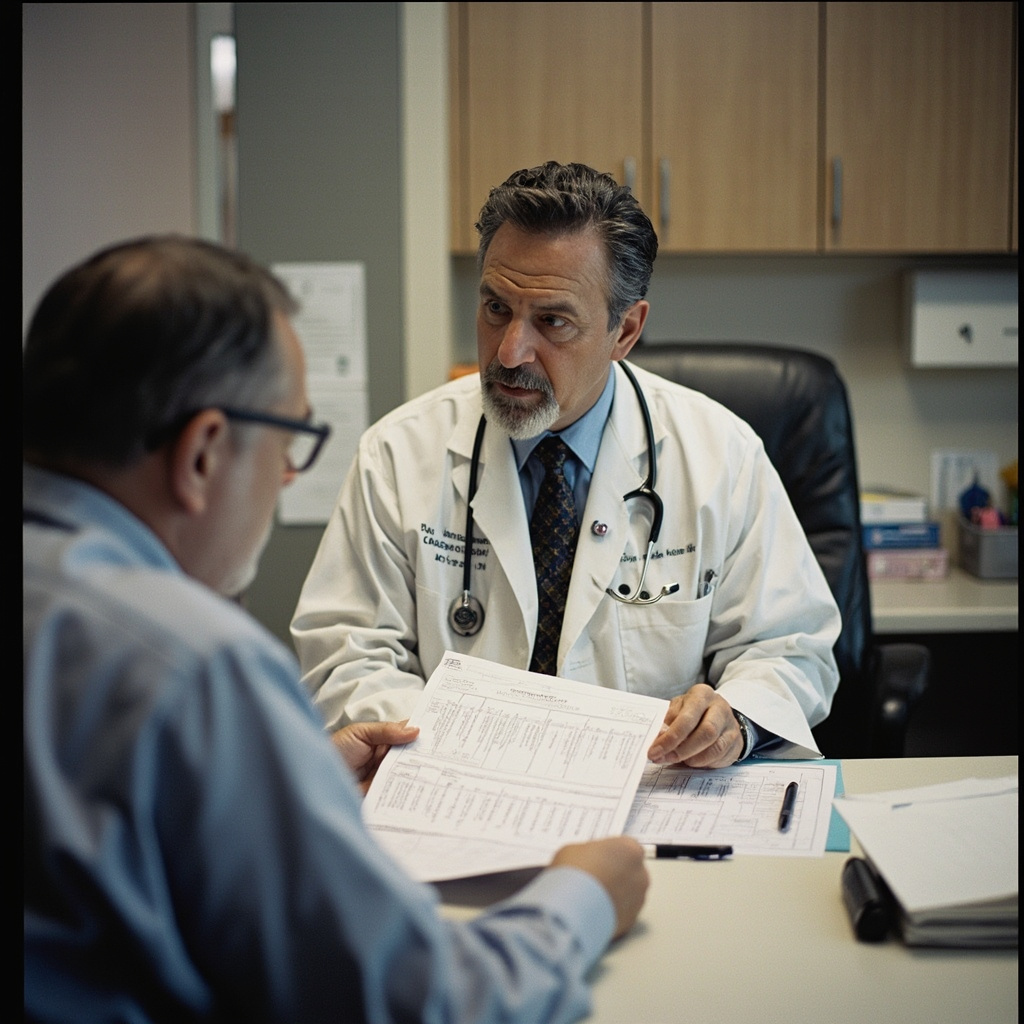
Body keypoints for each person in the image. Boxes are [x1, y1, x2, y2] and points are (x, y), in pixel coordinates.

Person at [23, 236, 649, 1024]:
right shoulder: (198, 664)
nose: (287, 476)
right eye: (289, 443)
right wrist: (585, 896)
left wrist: (276, 778)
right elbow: (426, 1003)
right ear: (204, 454)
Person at [293, 161, 842, 767]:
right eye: (496, 308)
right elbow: (348, 652)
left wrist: (734, 719)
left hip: (653, 800)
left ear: (625, 329)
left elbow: (791, 648)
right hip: (459, 790)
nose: (509, 351)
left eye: (552, 321)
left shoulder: (721, 457)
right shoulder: (397, 455)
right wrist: (446, 746)